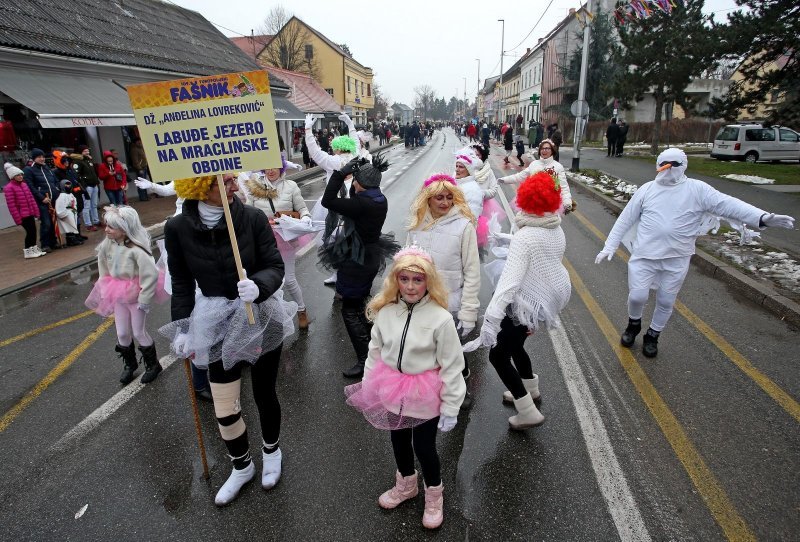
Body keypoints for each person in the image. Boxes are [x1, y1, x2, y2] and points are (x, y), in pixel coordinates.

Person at [161, 173, 297, 506]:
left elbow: (274, 265)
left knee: (264, 394)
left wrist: (260, 285)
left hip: (260, 315)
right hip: (215, 320)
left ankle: (271, 451)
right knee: (224, 405)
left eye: (233, 179)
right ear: (198, 187)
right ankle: (241, 466)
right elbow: (180, 282)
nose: (234, 187)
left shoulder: (251, 218)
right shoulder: (176, 228)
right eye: (222, 182)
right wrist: (181, 327)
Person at [595, 148, 795, 357]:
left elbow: (728, 205)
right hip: (645, 256)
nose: (668, 169)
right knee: (637, 296)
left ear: (683, 166)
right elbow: (625, 219)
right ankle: (633, 325)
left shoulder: (697, 190)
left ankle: (653, 335)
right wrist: (610, 245)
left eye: (674, 164)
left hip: (677, 258)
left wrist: (762, 217)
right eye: (664, 164)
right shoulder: (647, 190)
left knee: (665, 301)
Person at [344, 247, 466, 529]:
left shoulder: (441, 319)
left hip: (424, 392)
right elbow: (375, 350)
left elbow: (452, 366)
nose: (411, 286)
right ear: (395, 280)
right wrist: (369, 382)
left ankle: (434, 494)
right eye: (405, 279)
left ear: (429, 282)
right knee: (398, 440)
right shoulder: (386, 311)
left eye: (418, 280)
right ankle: (407, 485)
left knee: (424, 447)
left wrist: (450, 407)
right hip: (391, 387)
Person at [464, 172, 572, 429]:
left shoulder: (527, 237)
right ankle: (530, 389)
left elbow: (508, 284)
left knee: (498, 356)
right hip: (539, 303)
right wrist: (507, 239)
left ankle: (527, 412)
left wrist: (491, 319)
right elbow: (538, 245)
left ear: (526, 199)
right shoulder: (554, 226)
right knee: (516, 346)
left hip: (520, 305)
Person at [320, 154, 398, 378]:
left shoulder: (362, 203)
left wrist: (339, 173)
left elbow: (328, 201)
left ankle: (365, 360)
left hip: (356, 260)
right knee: (362, 304)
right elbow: (355, 195)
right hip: (369, 256)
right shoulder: (377, 197)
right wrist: (356, 178)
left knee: (350, 310)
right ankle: (376, 350)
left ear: (359, 183)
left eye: (355, 180)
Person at [85, 205, 163, 385]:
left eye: (111, 227)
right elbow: (103, 268)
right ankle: (130, 364)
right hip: (118, 294)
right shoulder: (107, 246)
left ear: (125, 229)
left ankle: (153, 364)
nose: (106, 230)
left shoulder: (137, 250)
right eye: (106, 225)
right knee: (122, 333)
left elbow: (150, 275)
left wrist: (144, 298)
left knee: (138, 331)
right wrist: (104, 290)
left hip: (135, 296)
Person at [240, 160, 313, 329]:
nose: (271, 170)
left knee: (289, 279)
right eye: (268, 166)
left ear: (282, 168)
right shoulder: (255, 187)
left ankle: (301, 310)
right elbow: (246, 213)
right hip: (262, 240)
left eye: (275, 166)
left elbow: (302, 208)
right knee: (264, 279)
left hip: (284, 238)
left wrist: (305, 218)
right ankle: (270, 317)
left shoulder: (291, 186)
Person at [304, 113, 360, 286]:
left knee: (333, 240)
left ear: (337, 148)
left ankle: (338, 273)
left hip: (334, 204)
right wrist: (350, 124)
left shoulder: (331, 161)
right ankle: (352, 272)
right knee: (353, 238)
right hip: (354, 203)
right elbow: (356, 141)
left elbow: (314, 151)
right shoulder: (357, 156)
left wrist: (308, 130)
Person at [498, 139, 574, 214]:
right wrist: (504, 180)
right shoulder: (534, 164)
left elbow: (564, 187)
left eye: (547, 148)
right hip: (532, 202)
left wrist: (567, 202)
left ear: (552, 150)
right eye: (542, 148)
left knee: (550, 224)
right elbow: (520, 176)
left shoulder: (558, 166)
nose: (544, 150)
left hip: (550, 205)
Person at [4, 162, 45, 259]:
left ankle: (33, 249)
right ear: (12, 176)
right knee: (30, 232)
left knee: (33, 231)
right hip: (22, 215)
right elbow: (12, 205)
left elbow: (31, 199)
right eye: (17, 175)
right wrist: (18, 219)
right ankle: (28, 251)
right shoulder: (9, 188)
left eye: (21, 174)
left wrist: (36, 211)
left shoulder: (24, 185)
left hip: (29, 212)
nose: (20, 176)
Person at [23, 148, 60, 252]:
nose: (42, 159)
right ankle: (45, 244)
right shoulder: (29, 170)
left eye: (43, 156)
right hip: (42, 201)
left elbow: (55, 181)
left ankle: (53, 241)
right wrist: (41, 197)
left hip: (52, 199)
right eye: (39, 157)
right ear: (34, 158)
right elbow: (30, 186)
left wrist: (57, 189)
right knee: (46, 222)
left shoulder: (47, 168)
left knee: (53, 222)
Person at [71, 145, 101, 230]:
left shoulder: (88, 160)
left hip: (94, 185)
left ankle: (96, 221)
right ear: (80, 152)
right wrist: (84, 185)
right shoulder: (77, 162)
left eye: (87, 150)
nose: (87, 152)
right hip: (87, 187)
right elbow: (77, 175)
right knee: (86, 206)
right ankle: (88, 224)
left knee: (94, 205)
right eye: (85, 151)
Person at [453, 151, 484, 220]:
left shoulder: (473, 190)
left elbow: (472, 216)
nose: (457, 169)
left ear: (469, 170)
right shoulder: (457, 183)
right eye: (456, 166)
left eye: (461, 167)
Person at [54, 180, 82, 246]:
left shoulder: (71, 194)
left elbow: (74, 203)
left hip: (72, 211)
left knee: (74, 223)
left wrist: (74, 210)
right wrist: (66, 213)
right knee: (69, 224)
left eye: (69, 184)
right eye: (66, 185)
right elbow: (60, 206)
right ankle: (70, 239)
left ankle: (75, 237)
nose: (68, 186)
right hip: (66, 213)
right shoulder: (61, 196)